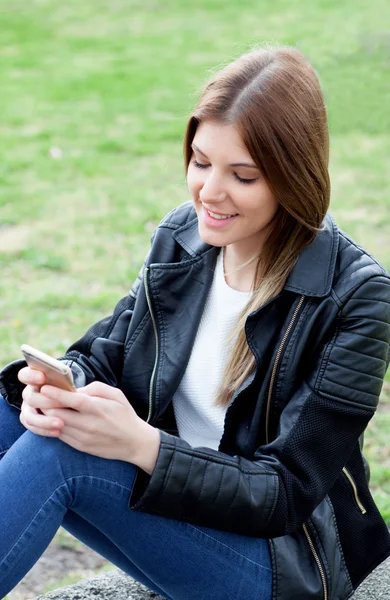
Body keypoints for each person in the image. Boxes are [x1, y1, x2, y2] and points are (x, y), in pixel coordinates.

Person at [0, 44, 389, 600]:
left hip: (282, 563)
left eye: (244, 176)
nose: (209, 191)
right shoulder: (184, 237)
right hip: (181, 507)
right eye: (201, 162)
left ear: (294, 177)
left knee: (55, 455)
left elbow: (285, 492)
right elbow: (104, 357)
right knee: (12, 412)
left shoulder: (355, 295)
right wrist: (58, 383)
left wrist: (144, 446)